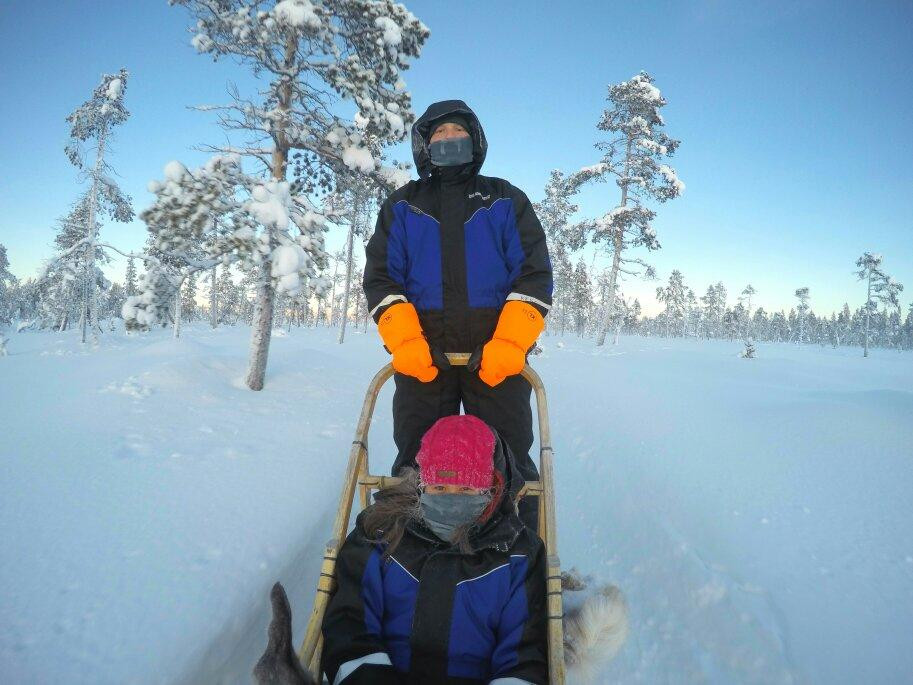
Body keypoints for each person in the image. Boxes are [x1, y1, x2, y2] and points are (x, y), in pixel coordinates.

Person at [363, 100, 552, 529]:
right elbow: (381, 278)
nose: (449, 138)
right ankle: (406, 548)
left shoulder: (505, 200)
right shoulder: (402, 206)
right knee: (416, 459)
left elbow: (534, 274)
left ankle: (520, 548)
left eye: (458, 131)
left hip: (495, 360)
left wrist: (509, 343)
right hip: (423, 359)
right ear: (424, 145)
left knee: (507, 458)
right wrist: (406, 343)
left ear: (475, 140)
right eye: (439, 133)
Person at [320, 414, 548, 684]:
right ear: (421, 484)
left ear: (492, 489)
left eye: (466, 489)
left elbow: (523, 654)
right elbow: (350, 622)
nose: (450, 498)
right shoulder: (380, 534)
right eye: (439, 486)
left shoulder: (518, 555)